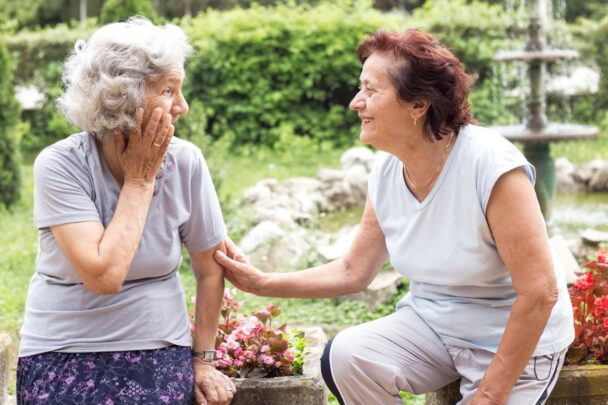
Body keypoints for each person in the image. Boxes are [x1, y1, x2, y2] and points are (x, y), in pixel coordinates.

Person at [215, 29, 574, 405]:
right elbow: (354, 270)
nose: (356, 102)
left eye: (371, 91)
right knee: (347, 355)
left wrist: (488, 395)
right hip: (435, 328)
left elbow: (539, 291)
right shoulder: (387, 170)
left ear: (418, 105)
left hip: (510, 338)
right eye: (360, 88)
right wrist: (263, 281)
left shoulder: (492, 167)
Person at [17, 18, 234, 405]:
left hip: (155, 344)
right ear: (123, 99)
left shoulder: (187, 162)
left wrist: (203, 363)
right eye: (169, 90)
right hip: (60, 348)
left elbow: (210, 267)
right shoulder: (59, 165)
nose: (182, 106)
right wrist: (139, 181)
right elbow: (104, 274)